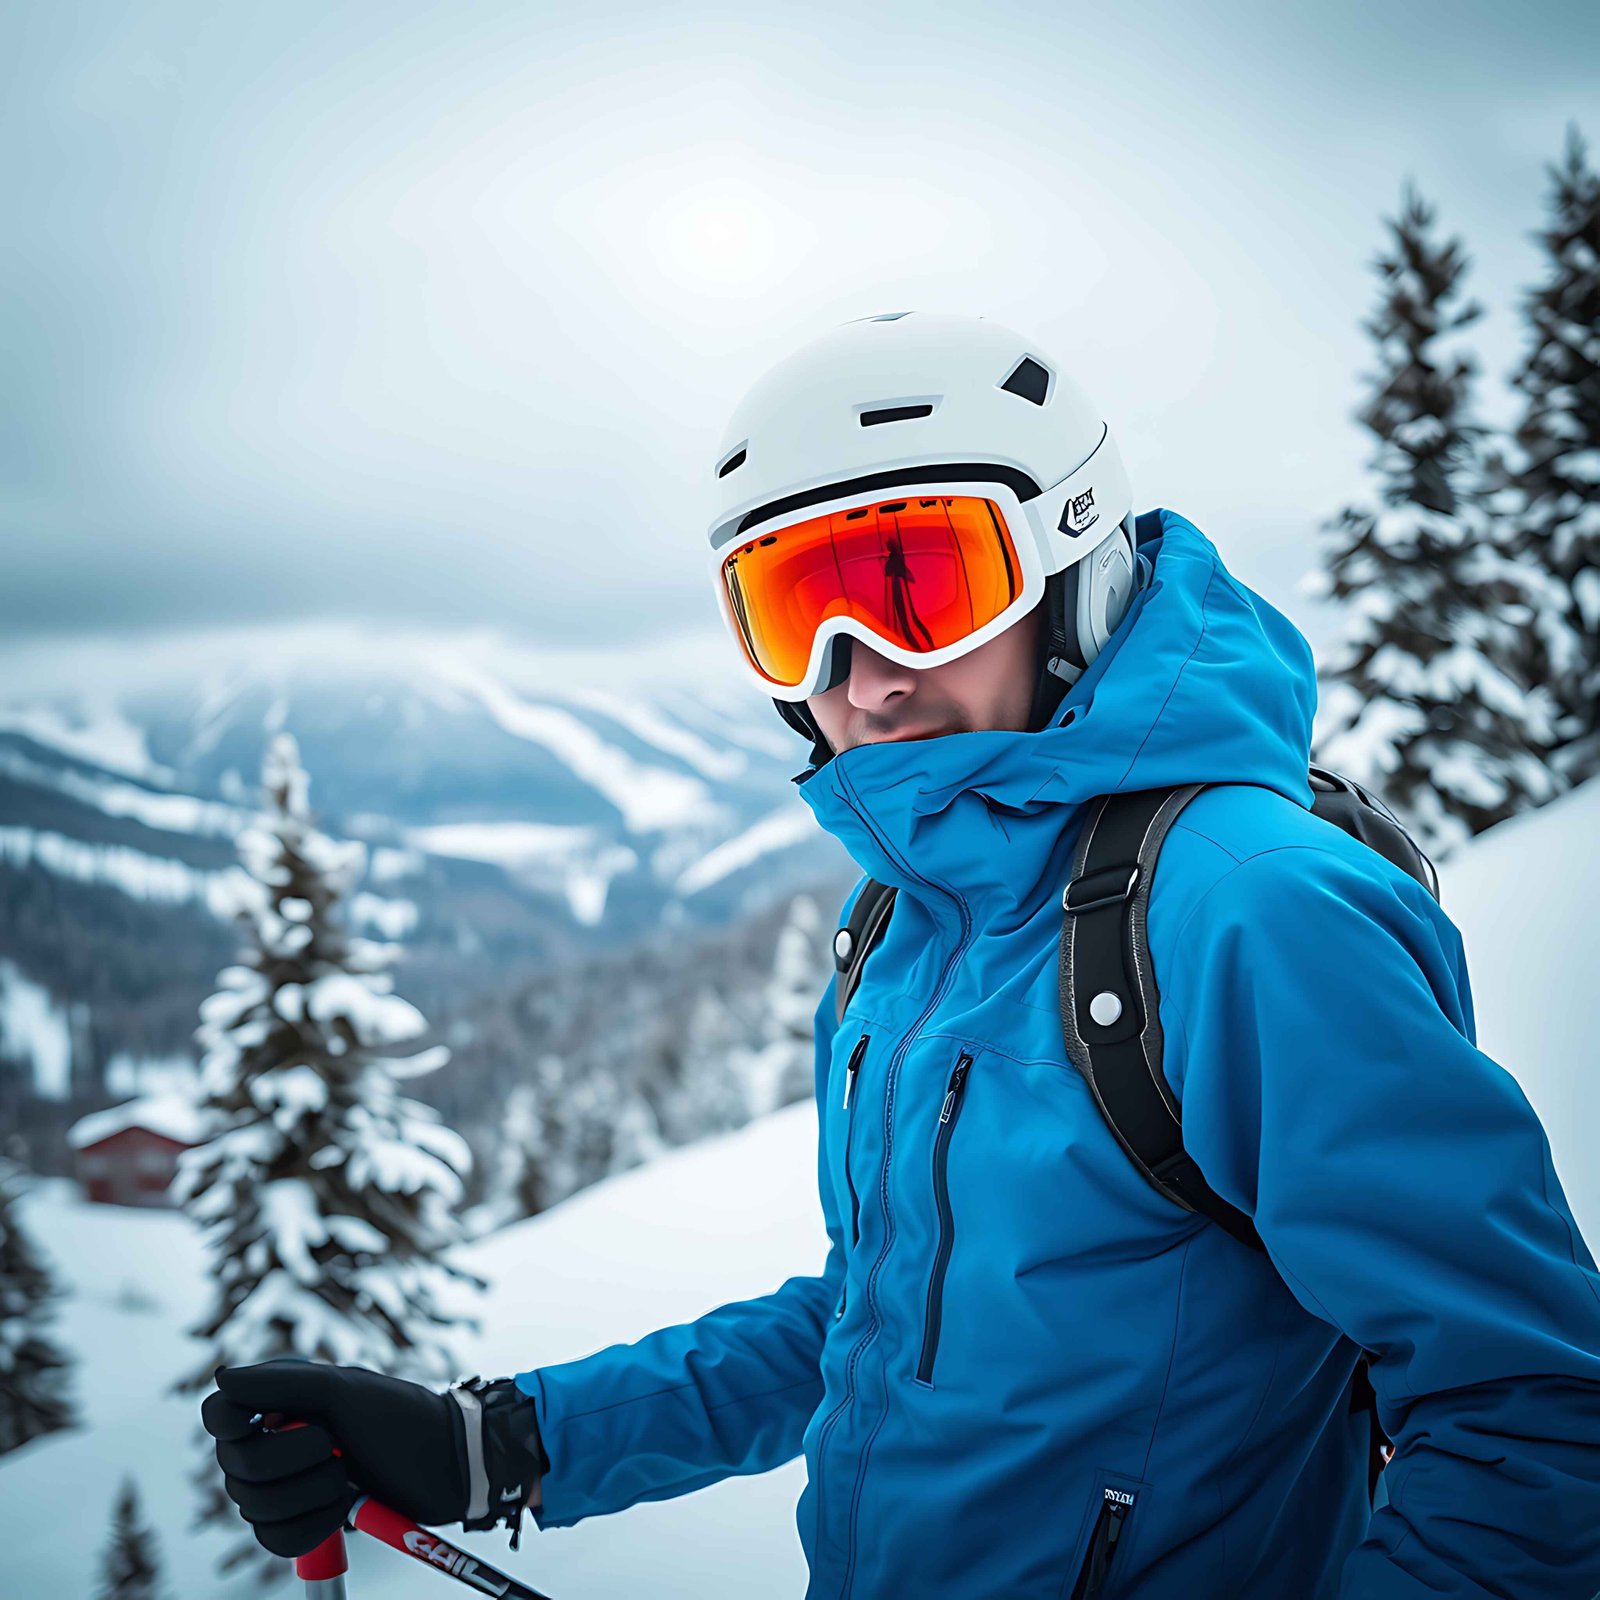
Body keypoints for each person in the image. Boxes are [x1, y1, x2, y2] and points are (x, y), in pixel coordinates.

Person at [203, 311, 1600, 1598]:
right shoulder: (913, 923)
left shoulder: (1247, 912)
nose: (862, 672)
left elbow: (1534, 1416)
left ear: (1070, 567)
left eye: (918, 584)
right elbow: (878, 1321)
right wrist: (502, 1445)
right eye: (794, 611)